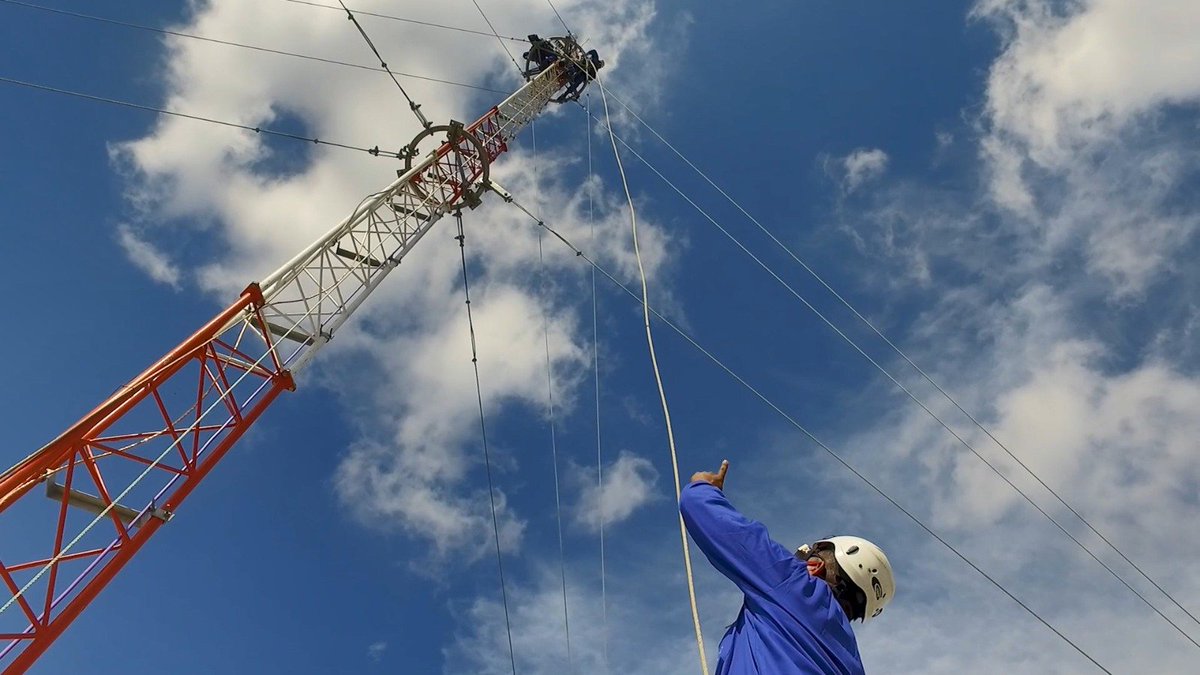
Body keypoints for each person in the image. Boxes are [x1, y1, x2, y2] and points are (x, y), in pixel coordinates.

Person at [680, 460, 895, 674]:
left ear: (815, 566)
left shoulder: (796, 586)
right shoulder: (853, 666)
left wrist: (703, 488)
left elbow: (706, 514)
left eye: (804, 554)